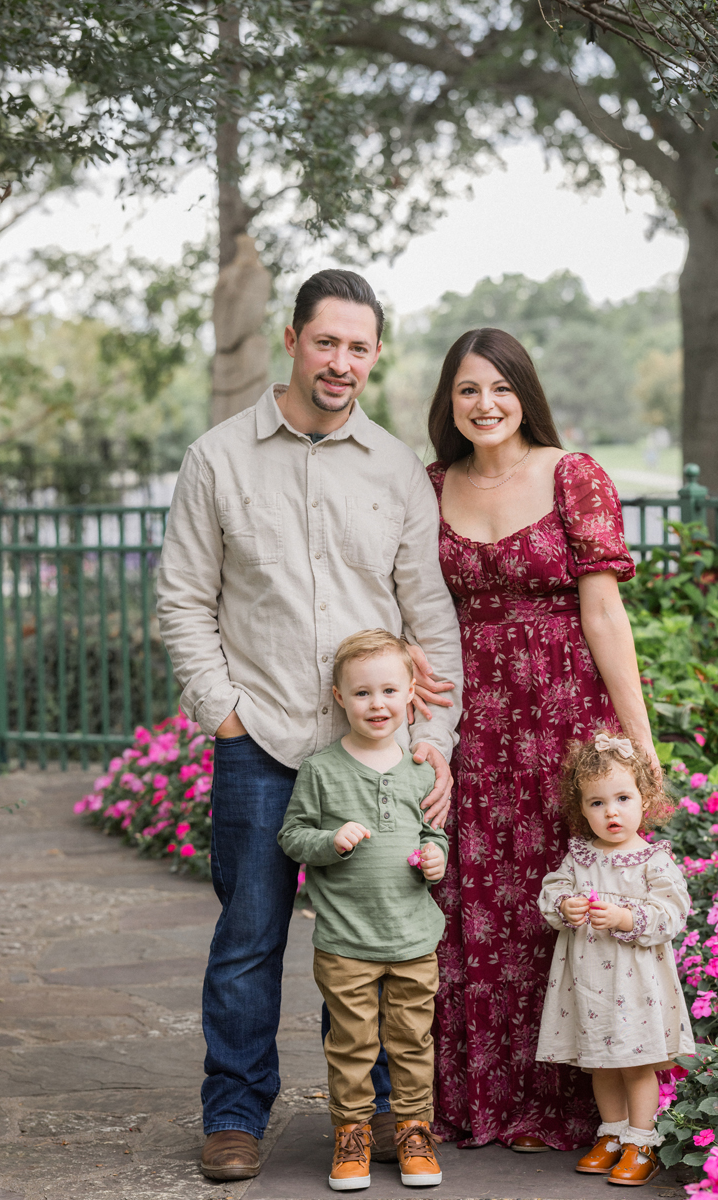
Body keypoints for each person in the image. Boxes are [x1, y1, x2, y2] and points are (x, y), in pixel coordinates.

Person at [155, 270, 463, 1183]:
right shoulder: (218, 458)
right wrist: (226, 713)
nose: (341, 362)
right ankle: (236, 1114)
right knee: (249, 937)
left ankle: (367, 1120)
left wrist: (429, 741)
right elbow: (184, 601)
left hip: (376, 756)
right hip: (263, 743)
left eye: (359, 347)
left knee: (373, 936)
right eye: (326, 341)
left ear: (375, 355)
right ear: (292, 340)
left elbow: (430, 618)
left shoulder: (397, 469)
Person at [418, 327, 655, 1152]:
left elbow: (603, 614)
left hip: (561, 715)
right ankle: (485, 1099)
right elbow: (414, 608)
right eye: (468, 391)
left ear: (526, 394)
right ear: (449, 403)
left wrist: (636, 738)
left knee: (565, 902)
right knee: (477, 906)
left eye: (500, 388)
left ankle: (576, 1107)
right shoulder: (429, 485)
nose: (485, 405)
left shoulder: (572, 475)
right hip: (470, 721)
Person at [278, 629, 448, 1191]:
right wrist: (330, 842)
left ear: (409, 696)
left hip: (412, 939)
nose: (378, 704)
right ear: (339, 698)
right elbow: (292, 836)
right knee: (351, 1045)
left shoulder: (422, 768)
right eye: (363, 694)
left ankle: (413, 1133)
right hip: (346, 942)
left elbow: (433, 831)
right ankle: (351, 1138)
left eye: (389, 692)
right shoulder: (321, 771)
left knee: (412, 1042)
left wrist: (434, 858)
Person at [535, 732, 694, 1187]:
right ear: (581, 810)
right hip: (590, 987)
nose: (611, 812)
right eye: (597, 803)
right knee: (600, 1060)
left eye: (623, 798)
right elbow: (552, 892)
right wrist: (564, 906)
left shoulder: (652, 859)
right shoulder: (580, 856)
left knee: (636, 1062)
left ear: (645, 799)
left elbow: (672, 913)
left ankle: (641, 1140)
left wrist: (626, 916)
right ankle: (611, 1133)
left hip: (636, 986)